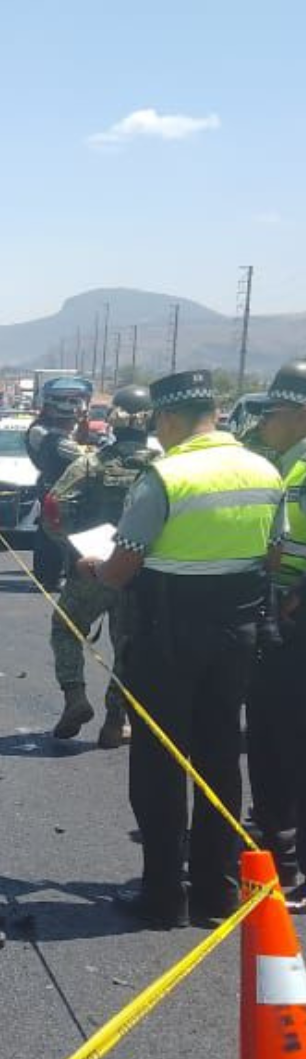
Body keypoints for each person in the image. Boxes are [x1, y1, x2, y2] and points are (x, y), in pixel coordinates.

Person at [81, 369, 282, 929]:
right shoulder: (265, 471)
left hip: (166, 636)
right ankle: (217, 892)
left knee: (160, 763)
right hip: (236, 635)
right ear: (214, 412)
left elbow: (123, 569)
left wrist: (95, 566)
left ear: (167, 419)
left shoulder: (166, 476)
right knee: (220, 757)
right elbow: (272, 555)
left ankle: (164, 895)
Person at [44, 385, 159, 748]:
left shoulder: (90, 463)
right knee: (128, 648)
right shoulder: (163, 469)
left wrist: (74, 550)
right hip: (139, 574)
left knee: (65, 629)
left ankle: (75, 697)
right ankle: (114, 721)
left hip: (91, 569)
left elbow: (54, 509)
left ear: (111, 420)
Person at [241, 362, 306, 885]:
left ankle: (290, 866)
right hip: (281, 618)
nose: (263, 423)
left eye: (273, 413)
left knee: (285, 740)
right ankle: (279, 853)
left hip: (296, 620)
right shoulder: (286, 464)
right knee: (270, 736)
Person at [26, 379, 90, 591]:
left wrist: (82, 426)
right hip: (53, 488)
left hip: (70, 488)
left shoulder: (61, 431)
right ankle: (49, 577)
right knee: (52, 535)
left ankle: (62, 573)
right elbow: (79, 454)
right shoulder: (43, 432)